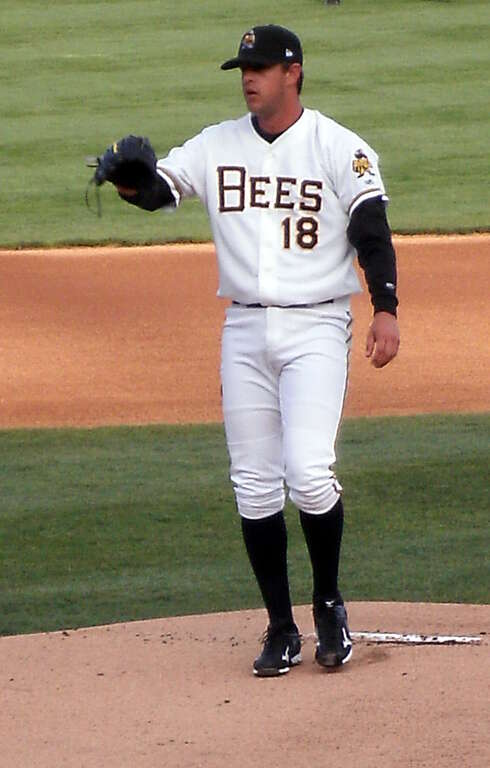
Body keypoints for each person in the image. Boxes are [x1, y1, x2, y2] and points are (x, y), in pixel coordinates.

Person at [100, 24, 400, 676]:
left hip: (318, 325)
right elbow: (162, 190)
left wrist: (386, 310)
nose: (248, 77)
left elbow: (371, 228)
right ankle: (280, 628)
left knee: (310, 472)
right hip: (243, 329)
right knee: (255, 486)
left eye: (261, 66)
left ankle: (327, 603)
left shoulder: (336, 146)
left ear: (294, 71)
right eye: (243, 66)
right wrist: (131, 185)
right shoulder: (217, 143)